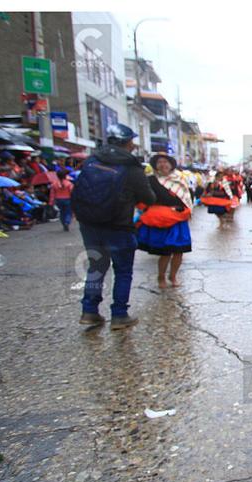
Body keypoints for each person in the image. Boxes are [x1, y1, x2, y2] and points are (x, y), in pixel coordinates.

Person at [71, 123, 155, 330]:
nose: (134, 145)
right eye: (132, 141)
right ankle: (119, 315)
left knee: (96, 267)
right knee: (123, 271)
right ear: (127, 143)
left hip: (89, 223)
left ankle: (89, 311)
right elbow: (149, 198)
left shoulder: (92, 160)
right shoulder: (131, 167)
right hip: (118, 225)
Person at [137, 154, 193, 288]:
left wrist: (185, 210)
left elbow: (187, 197)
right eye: (160, 162)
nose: (163, 165)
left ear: (171, 165)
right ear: (155, 165)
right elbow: (144, 198)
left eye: (166, 162)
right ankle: (161, 277)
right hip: (161, 219)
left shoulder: (180, 179)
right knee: (165, 251)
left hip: (178, 218)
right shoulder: (151, 180)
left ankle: (173, 276)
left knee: (179, 250)